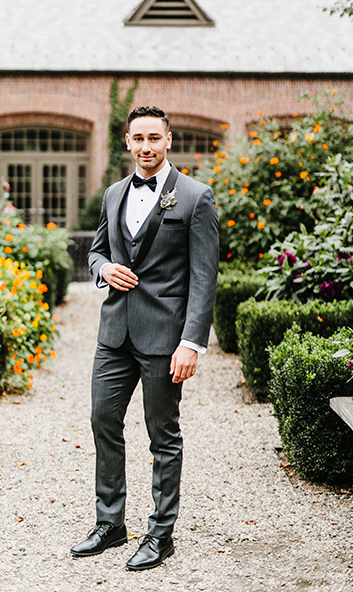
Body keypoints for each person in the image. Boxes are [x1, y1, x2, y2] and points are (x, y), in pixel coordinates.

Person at [70, 105, 219, 571]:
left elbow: (203, 277)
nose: (146, 147)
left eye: (155, 138)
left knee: (163, 436)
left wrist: (191, 343)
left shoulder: (196, 197)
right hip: (114, 334)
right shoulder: (114, 193)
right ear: (128, 142)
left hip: (164, 339)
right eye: (138, 138)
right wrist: (103, 269)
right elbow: (96, 250)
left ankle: (160, 533)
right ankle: (110, 523)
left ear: (168, 141)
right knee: (102, 421)